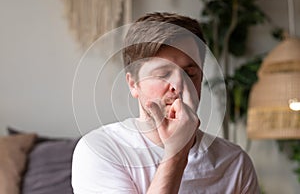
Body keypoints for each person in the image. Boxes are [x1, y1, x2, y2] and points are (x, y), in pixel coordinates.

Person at [72, 12, 260, 194]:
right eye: (163, 74)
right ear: (133, 84)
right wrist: (177, 152)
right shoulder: (101, 150)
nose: (179, 85)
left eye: (190, 73)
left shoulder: (235, 162)